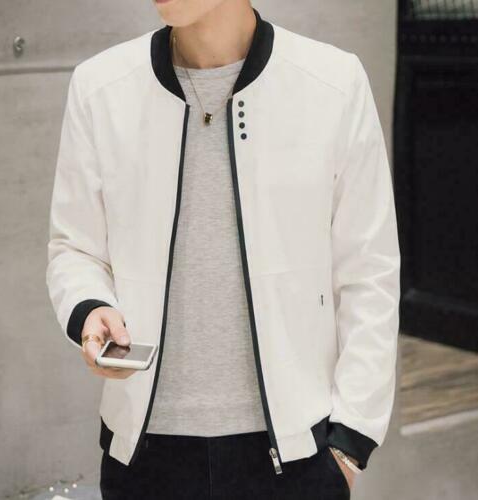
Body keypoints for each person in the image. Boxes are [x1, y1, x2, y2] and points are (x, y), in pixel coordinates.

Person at [46, 0, 401, 498]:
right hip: (144, 455)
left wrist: (350, 444)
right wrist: (90, 308)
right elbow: (74, 247)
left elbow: (369, 272)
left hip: (294, 455)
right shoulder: (100, 87)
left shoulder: (332, 83)